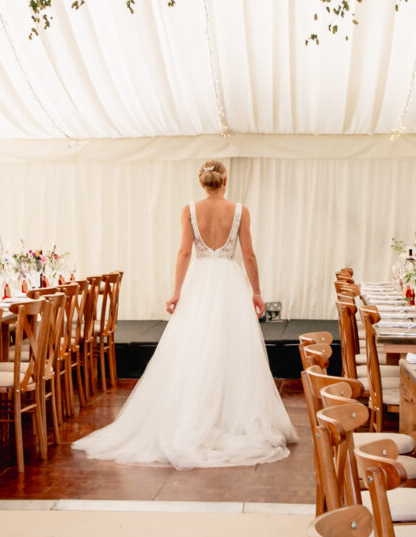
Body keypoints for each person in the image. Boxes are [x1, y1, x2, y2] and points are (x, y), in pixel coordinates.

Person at [72, 160, 297, 468]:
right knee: (232, 349)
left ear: (202, 183)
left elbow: (184, 252)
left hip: (200, 282)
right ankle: (230, 416)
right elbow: (248, 255)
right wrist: (257, 292)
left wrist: (177, 291)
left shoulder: (189, 210)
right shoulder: (240, 211)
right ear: (225, 181)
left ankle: (194, 412)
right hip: (229, 283)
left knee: (194, 347)